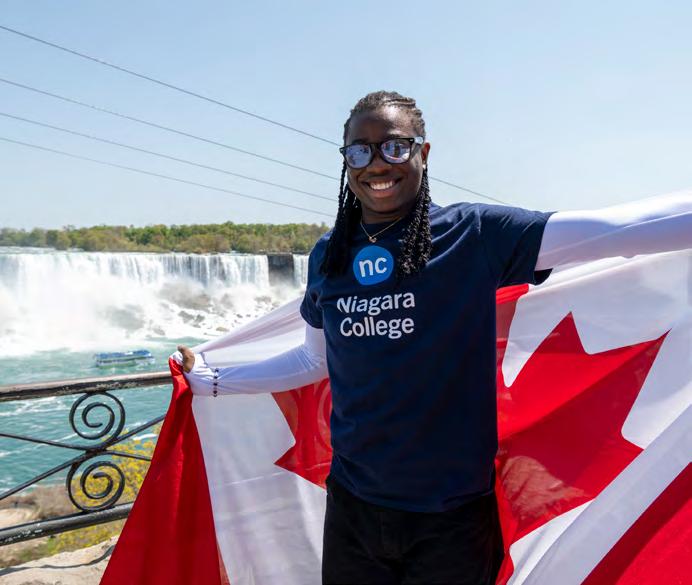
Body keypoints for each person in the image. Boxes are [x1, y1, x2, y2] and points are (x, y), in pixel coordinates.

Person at [176, 91, 691, 585]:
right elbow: (315, 361)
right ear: (347, 162)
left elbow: (618, 230)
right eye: (360, 151)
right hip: (354, 509)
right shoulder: (329, 254)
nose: (377, 164)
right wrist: (213, 380)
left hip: (452, 519)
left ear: (422, 153)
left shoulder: (475, 234)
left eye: (394, 147)